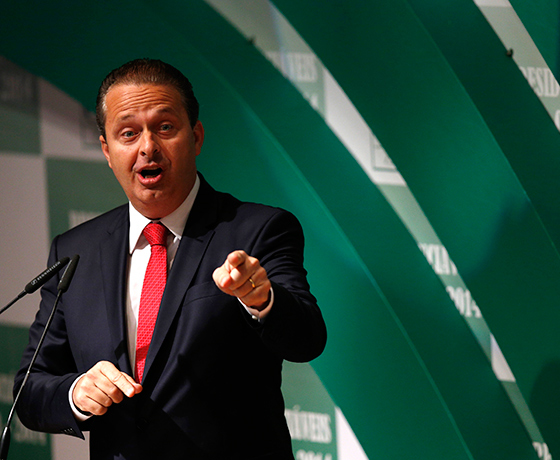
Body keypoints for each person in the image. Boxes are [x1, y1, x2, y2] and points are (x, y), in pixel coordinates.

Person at [13, 58, 327, 460]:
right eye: (128, 133)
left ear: (195, 137)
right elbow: (30, 390)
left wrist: (261, 298)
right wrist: (77, 393)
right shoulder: (76, 250)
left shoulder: (258, 229)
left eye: (165, 127)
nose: (147, 147)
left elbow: (306, 338)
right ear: (108, 151)